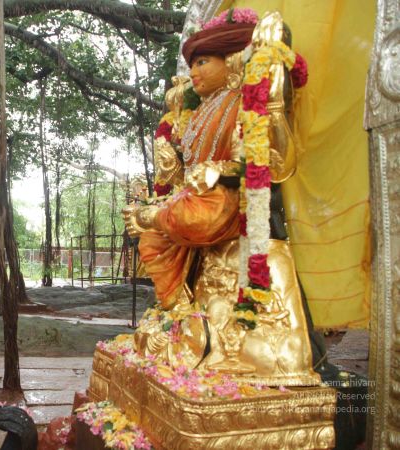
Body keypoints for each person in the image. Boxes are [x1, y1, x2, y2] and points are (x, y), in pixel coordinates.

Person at [123, 10, 319, 385]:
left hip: (228, 203)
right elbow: (185, 171)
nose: (194, 72)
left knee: (182, 218)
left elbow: (271, 162)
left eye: (202, 62)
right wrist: (171, 166)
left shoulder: (246, 100)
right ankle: (177, 306)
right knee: (152, 236)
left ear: (231, 60)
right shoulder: (201, 109)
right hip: (197, 199)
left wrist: (218, 171)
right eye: (192, 64)